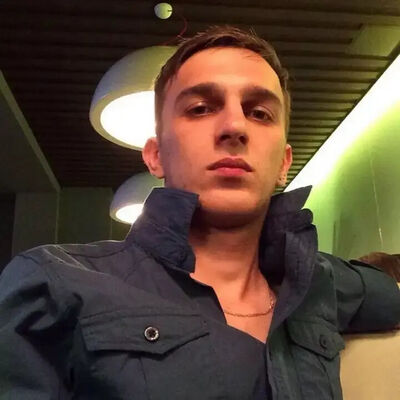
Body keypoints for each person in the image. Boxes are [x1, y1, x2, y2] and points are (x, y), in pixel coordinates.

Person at [0, 25, 399, 400]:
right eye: (201, 108)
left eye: (260, 113)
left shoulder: (319, 283)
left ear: (284, 163)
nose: (234, 126)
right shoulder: (53, 284)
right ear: (156, 155)